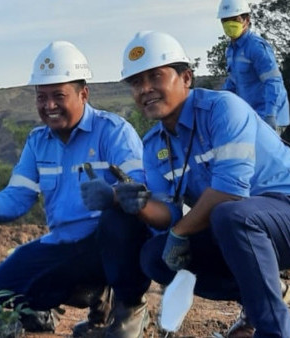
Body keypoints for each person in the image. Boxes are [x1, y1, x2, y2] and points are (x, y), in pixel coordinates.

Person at [0, 40, 151, 337]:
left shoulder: (113, 132)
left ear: (83, 94)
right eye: (41, 97)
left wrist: (113, 197)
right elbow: (18, 196)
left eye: (59, 96)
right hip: (65, 243)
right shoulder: (38, 142)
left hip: (108, 242)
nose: (49, 106)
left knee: (119, 221)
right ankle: (98, 297)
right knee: (3, 286)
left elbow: (140, 189)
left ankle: (129, 309)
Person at [119, 30, 290, 337]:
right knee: (155, 256)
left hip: (281, 211)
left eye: (155, 77)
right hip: (243, 228)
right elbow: (170, 215)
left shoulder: (223, 108)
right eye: (136, 83)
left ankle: (274, 329)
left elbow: (231, 192)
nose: (145, 89)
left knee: (232, 216)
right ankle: (267, 294)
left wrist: (180, 231)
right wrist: (141, 204)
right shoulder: (153, 144)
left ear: (186, 78)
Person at [218, 0, 289, 134]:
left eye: (234, 19)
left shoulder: (256, 47)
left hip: (270, 116)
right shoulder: (231, 51)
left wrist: (270, 115)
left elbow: (273, 81)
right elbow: (233, 83)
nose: (229, 24)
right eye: (225, 20)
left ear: (246, 19)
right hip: (252, 116)